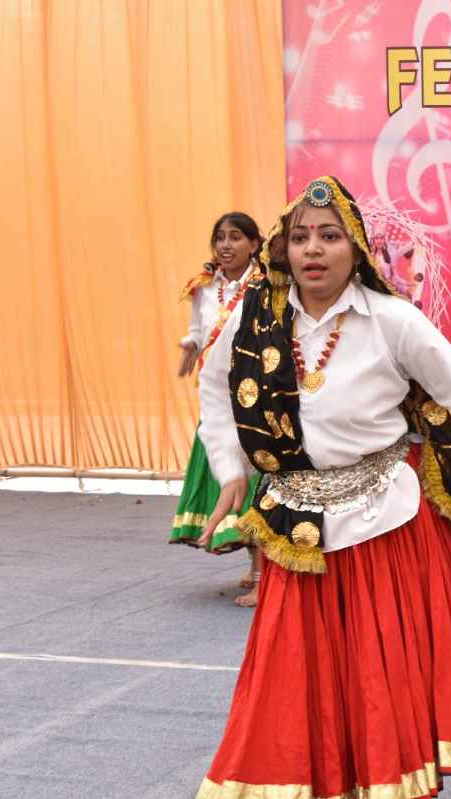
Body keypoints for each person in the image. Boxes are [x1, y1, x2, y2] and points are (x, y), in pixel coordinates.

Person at [193, 177, 451, 798]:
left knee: (379, 684)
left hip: (383, 525)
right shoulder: (254, 318)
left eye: (329, 236)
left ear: (356, 248)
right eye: (300, 237)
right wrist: (230, 465)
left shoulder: (393, 321)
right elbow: (214, 385)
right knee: (294, 685)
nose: (313, 249)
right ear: (284, 249)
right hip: (295, 524)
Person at [171, 211, 265, 607]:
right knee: (233, 480)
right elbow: (198, 331)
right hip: (217, 398)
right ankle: (254, 566)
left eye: (236, 237)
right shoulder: (204, 288)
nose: (226, 245)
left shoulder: (267, 286)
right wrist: (191, 348)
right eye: (220, 238)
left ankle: (265, 578)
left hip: (254, 398)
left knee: (258, 486)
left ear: (254, 244)